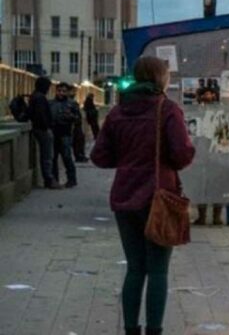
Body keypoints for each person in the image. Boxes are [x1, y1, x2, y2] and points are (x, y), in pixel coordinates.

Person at [91, 56, 195, 335]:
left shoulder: (117, 112)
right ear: (161, 78)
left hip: (124, 198)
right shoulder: (168, 110)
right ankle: (154, 330)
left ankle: (130, 329)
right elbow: (182, 155)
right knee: (158, 270)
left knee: (135, 268)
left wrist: (127, 159)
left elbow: (99, 156)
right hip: (159, 199)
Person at [28, 77, 60, 189]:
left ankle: (49, 179)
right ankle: (49, 179)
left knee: (46, 155)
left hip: (38, 128)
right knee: (47, 156)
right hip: (43, 130)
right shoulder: (40, 98)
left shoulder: (34, 96)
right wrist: (47, 127)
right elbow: (42, 115)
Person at [50, 82, 78, 188]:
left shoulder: (72, 104)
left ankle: (71, 179)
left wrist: (70, 116)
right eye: (59, 91)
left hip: (65, 133)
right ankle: (55, 179)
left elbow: (78, 118)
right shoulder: (51, 104)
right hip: (53, 133)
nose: (61, 93)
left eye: (63, 91)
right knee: (53, 158)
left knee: (67, 157)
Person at [69, 85, 89, 163]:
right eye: (73, 91)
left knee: (80, 141)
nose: (74, 93)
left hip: (77, 124)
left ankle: (80, 155)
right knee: (77, 142)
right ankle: (79, 156)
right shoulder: (70, 102)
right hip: (75, 125)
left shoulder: (73, 102)